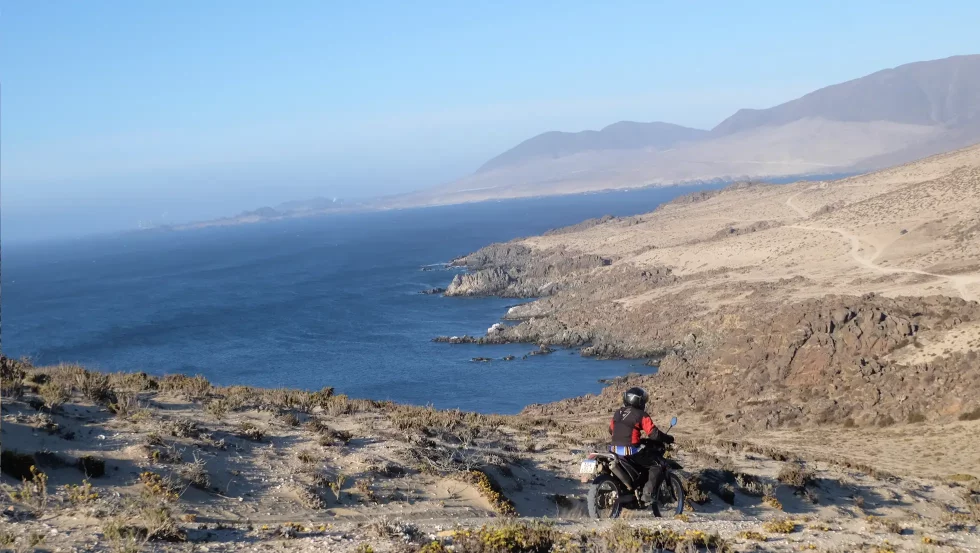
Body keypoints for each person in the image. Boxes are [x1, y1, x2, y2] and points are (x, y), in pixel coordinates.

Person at [609, 386, 674, 503]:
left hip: (613, 450)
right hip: (630, 451)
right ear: (639, 401)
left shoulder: (617, 413)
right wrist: (668, 438)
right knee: (657, 464)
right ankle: (648, 494)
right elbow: (653, 434)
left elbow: (611, 430)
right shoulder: (641, 415)